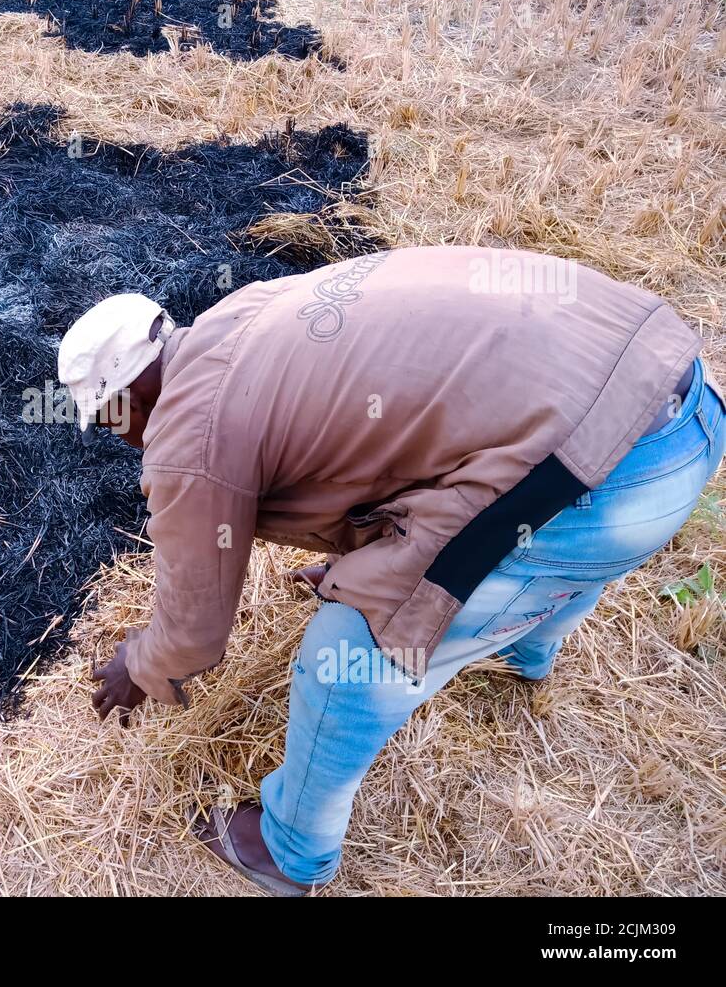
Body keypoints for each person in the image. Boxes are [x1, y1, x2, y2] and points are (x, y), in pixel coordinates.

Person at [57, 246, 723, 895]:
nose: (122, 438)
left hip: (609, 485)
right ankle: (523, 646)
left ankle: (289, 851)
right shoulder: (239, 319)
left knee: (346, 653)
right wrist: (368, 558)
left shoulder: (186, 438)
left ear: (127, 403)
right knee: (518, 546)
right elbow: (388, 442)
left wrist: (141, 664)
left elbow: (195, 630)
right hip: (673, 392)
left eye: (111, 422)